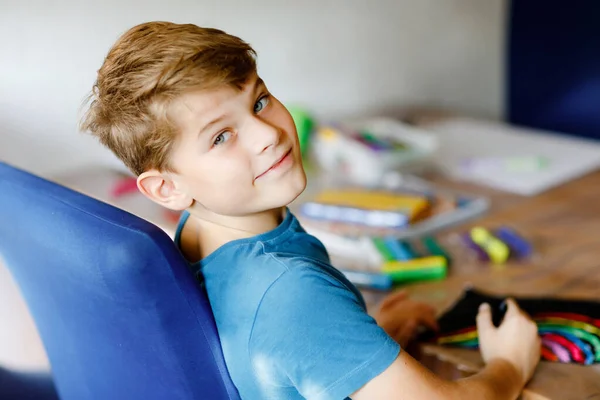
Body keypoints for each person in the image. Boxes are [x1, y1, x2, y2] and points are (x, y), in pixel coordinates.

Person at [81, 21, 541, 400]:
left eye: (258, 101)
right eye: (221, 136)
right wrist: (508, 364)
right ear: (167, 188)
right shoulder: (290, 290)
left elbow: (279, 344)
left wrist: (361, 338)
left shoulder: (200, 233)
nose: (267, 134)